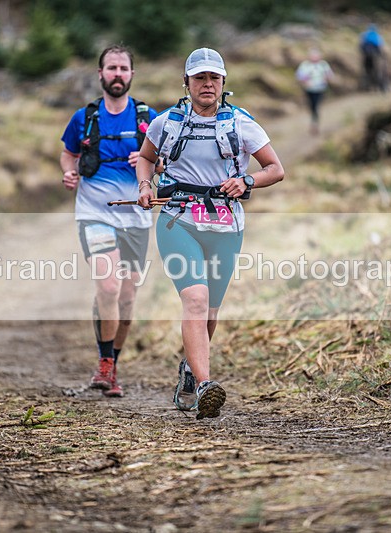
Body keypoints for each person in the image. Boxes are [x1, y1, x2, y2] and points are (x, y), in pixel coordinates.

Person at [135, 48, 284, 419]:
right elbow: (146, 159)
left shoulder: (242, 124)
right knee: (196, 301)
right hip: (177, 220)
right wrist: (143, 185)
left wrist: (247, 180)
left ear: (223, 83)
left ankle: (189, 371)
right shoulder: (165, 122)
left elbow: (275, 169)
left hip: (226, 226)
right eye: (199, 78)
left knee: (211, 314)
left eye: (213, 78)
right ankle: (205, 386)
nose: (207, 84)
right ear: (186, 83)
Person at [60, 44, 157, 398]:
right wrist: (70, 173)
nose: (117, 74)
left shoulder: (150, 119)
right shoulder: (84, 117)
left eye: (123, 68)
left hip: (136, 219)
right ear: (100, 74)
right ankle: (105, 367)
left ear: (132, 75)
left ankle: (112, 362)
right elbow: (68, 153)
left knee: (127, 298)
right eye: (111, 68)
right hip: (94, 214)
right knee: (109, 287)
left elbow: (167, 162)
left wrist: (148, 162)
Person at [295, 47, 334, 135]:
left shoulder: (323, 65)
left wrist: (326, 78)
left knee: (316, 106)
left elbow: (330, 75)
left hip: (320, 89)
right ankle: (314, 120)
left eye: (316, 55)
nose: (314, 57)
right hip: (309, 90)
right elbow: (299, 75)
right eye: (312, 56)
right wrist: (305, 81)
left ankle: (314, 124)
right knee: (312, 106)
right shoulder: (305, 65)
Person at [359, 23, 388, 92]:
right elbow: (381, 46)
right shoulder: (377, 36)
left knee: (367, 71)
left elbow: (360, 45)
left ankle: (367, 86)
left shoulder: (364, 35)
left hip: (366, 56)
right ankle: (382, 87)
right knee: (379, 71)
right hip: (376, 56)